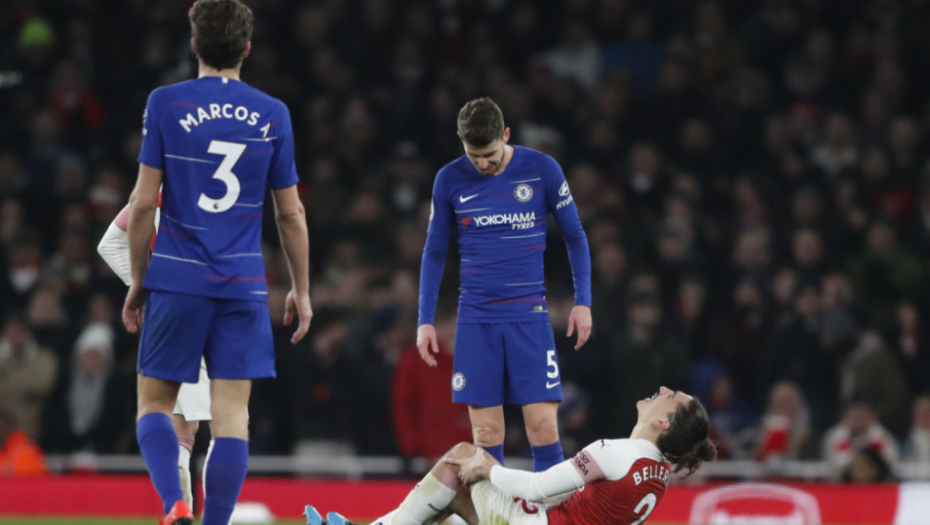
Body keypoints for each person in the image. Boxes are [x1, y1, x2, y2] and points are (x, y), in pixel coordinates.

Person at [120, 2, 312, 525]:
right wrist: (301, 288)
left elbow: (142, 203)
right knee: (232, 419)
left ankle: (174, 503)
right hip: (243, 284)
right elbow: (290, 213)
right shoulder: (273, 113)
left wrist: (139, 279)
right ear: (247, 48)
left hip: (177, 279)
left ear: (194, 45)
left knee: (153, 406)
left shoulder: (165, 102)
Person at [417, 97, 592, 472]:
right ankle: (494, 507)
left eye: (490, 155)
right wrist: (425, 320)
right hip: (476, 319)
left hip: (529, 315)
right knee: (486, 432)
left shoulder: (542, 169)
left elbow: (575, 237)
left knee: (543, 428)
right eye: (474, 156)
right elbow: (434, 251)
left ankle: (550, 507)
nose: (482, 164)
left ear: (507, 135)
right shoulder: (449, 179)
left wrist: (583, 301)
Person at [304, 386, 716, 525]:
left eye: (671, 397)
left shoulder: (615, 453)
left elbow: (538, 489)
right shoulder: (659, 476)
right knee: (453, 505)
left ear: (662, 422)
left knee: (462, 458)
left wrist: (489, 468)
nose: (663, 390)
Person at [98, 201, 212, 507]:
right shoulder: (221, 192)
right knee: (228, 421)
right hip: (216, 305)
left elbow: (109, 244)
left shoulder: (153, 196)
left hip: (167, 308)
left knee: (174, 418)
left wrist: (144, 289)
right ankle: (212, 513)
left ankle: (178, 506)